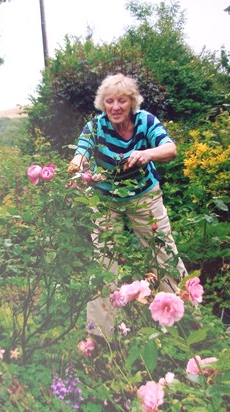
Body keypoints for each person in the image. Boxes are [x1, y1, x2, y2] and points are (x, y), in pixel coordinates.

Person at [68, 73, 187, 338]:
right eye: (109, 101)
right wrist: (78, 162)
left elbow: (170, 148)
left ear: (131, 102)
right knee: (104, 262)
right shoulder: (97, 126)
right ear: (103, 104)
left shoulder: (146, 122)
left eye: (121, 101)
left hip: (144, 195)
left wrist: (147, 153)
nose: (115, 107)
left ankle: (183, 321)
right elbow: (83, 149)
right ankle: (100, 335)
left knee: (163, 253)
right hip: (106, 200)